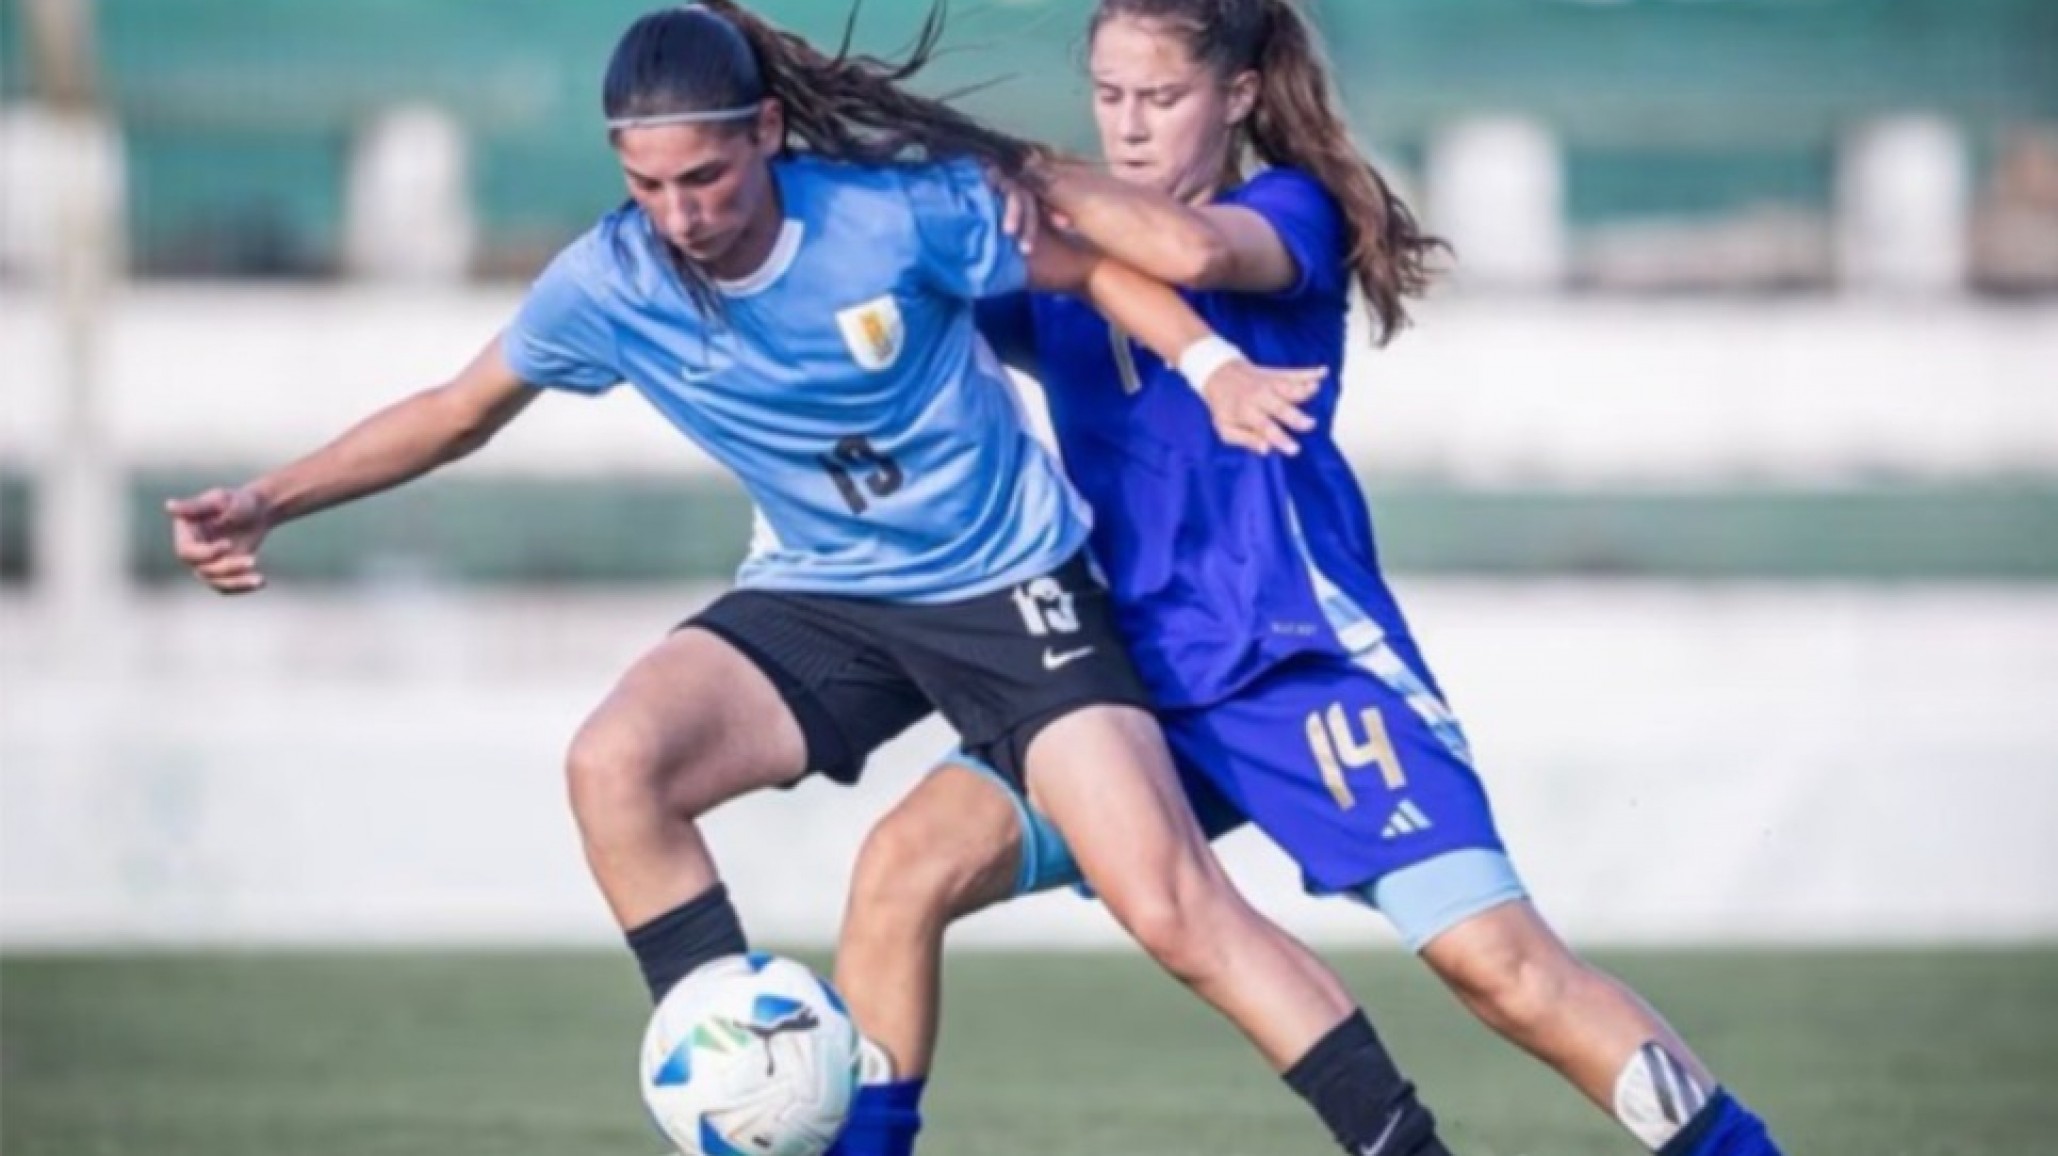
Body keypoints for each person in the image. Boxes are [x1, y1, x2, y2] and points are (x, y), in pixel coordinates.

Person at [165, 5, 1460, 1155]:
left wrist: (1210, 369)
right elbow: (456, 410)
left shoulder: (889, 215)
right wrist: (273, 498)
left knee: (1170, 905)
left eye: (707, 175)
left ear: (768, 133)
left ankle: (1397, 1140)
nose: (681, 213)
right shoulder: (612, 280)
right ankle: (758, 1073)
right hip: (823, 593)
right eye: (649, 183)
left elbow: (1091, 270)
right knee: (615, 766)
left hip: (1013, 588)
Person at [828, 3, 1786, 1156]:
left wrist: (1006, 165)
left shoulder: (1292, 212)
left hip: (1292, 664)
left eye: (1161, 98)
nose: (1129, 127)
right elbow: (926, 296)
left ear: (1235, 96)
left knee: (1506, 973)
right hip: (1117, 678)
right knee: (902, 868)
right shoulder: (1064, 264)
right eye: (1109, 95)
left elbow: (1184, 254)